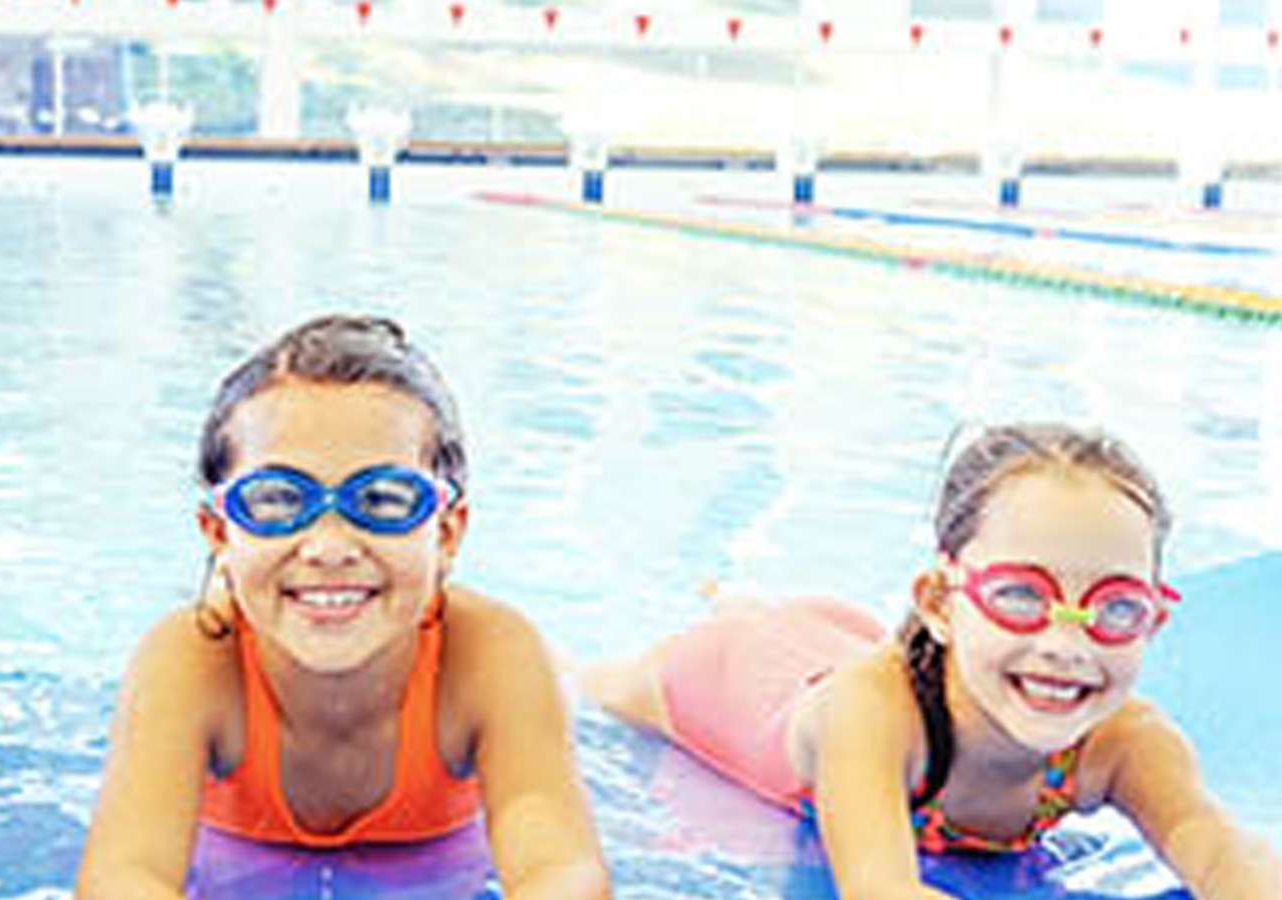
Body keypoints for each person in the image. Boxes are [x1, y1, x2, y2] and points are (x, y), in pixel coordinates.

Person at [583, 423, 1282, 899]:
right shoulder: (872, 717)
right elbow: (881, 888)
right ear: (941, 603)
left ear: (1154, 620)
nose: (1068, 645)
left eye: (1116, 607)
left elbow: (1221, 850)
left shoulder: (1126, 742)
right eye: (1020, 595)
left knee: (825, 633)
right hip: (725, 679)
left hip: (849, 644)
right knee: (585, 688)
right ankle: (731, 606)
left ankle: (740, 600)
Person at [77, 314, 608, 898]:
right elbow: (124, 876)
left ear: (447, 533)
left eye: (382, 500)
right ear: (219, 533)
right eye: (278, 500)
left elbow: (561, 870)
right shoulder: (194, 657)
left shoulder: (491, 655)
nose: (329, 548)